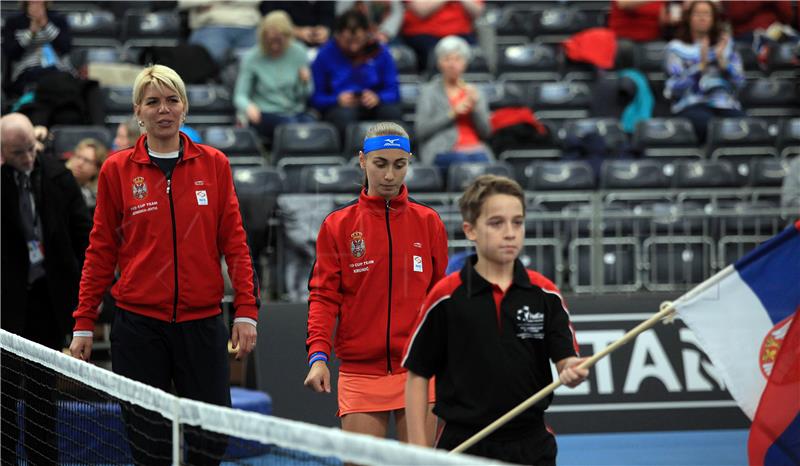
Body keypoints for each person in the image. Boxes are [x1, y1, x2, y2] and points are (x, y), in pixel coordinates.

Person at [68, 64, 260, 465]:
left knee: (211, 443)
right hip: (139, 327)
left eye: (172, 100)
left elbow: (236, 245)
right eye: (153, 102)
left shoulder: (215, 164)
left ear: (185, 108)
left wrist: (246, 311)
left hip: (203, 323)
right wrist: (84, 320)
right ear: (138, 111)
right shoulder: (116, 170)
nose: (163, 109)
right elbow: (100, 250)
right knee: (148, 446)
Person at [403, 175, 589, 465]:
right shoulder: (445, 296)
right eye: (496, 223)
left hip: (532, 445)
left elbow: (566, 361)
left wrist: (573, 369)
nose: (510, 233)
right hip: (464, 446)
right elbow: (417, 375)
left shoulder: (546, 294)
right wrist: (417, 452)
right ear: (470, 230)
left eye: (518, 222)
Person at [304, 122, 448, 445]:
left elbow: (441, 302)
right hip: (360, 374)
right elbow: (324, 298)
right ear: (362, 161)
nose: (389, 176)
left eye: (400, 165)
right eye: (380, 164)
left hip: (418, 371)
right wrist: (318, 357)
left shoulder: (429, 224)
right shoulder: (337, 226)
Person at [1, 112, 91, 466]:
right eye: (17, 152)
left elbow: (83, 232)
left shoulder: (57, 176)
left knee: (42, 394)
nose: (27, 158)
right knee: (4, 395)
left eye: (30, 149)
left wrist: (82, 289)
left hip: (47, 301)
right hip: (6, 304)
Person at [310, 9, 403, 138]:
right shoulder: (324, 55)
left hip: (374, 104)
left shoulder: (379, 51)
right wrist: (336, 99)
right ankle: (349, 155)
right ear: (337, 35)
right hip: (340, 107)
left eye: (358, 40)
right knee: (343, 117)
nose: (353, 47)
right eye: (348, 41)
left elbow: (394, 91)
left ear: (367, 34)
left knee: (392, 114)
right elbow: (316, 98)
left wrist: (378, 97)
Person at [664, 0, 746, 143]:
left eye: (707, 14)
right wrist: (700, 67)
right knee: (709, 125)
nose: (702, 18)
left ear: (714, 19)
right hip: (691, 104)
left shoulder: (726, 47)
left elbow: (740, 83)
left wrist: (723, 63)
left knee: (745, 128)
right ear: (688, 18)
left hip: (724, 104)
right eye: (697, 14)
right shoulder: (675, 49)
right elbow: (673, 88)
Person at [414, 35, 492, 173]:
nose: (452, 64)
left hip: (476, 149)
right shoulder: (429, 91)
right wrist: (452, 113)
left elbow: (486, 132)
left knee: (492, 167)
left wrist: (475, 108)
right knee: (464, 164)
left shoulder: (474, 91)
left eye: (457, 59)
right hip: (442, 150)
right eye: (447, 59)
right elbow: (420, 131)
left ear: (465, 63)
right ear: (439, 63)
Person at [234, 10, 315, 141]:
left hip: (295, 111)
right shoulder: (252, 57)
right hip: (266, 112)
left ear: (288, 37)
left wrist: (305, 82)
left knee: (314, 129)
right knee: (291, 128)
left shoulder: (299, 52)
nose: (275, 46)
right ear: (263, 38)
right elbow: (240, 95)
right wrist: (248, 107)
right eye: (270, 41)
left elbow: (306, 94)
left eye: (279, 40)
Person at [1, 0, 72, 97]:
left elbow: (65, 48)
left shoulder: (58, 20)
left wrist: (45, 25)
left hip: (57, 70)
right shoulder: (13, 22)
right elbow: (11, 54)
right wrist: (30, 33)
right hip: (26, 72)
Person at [400, 0, 484, 70]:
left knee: (476, 57)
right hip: (424, 34)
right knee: (438, 57)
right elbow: (421, 10)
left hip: (462, 34)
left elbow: (477, 12)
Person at [178, 0, 260, 65]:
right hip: (209, 25)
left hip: (248, 25)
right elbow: (181, 2)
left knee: (259, 64)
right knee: (203, 64)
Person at [261, 1, 336, 48]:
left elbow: (329, 14)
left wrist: (325, 29)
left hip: (321, 44)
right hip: (288, 44)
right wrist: (297, 32)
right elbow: (270, 19)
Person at [65, 137, 109, 208]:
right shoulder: (57, 180)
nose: (80, 163)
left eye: (87, 161)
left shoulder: (98, 197)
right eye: (78, 157)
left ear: (97, 168)